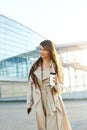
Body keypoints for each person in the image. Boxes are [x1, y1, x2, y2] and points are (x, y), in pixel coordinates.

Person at [26, 40, 72, 130]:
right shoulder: (35, 66)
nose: (41, 52)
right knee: (42, 127)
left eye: (44, 50)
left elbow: (60, 89)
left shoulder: (55, 66)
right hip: (39, 100)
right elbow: (30, 86)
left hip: (53, 101)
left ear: (50, 51)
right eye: (40, 49)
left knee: (53, 127)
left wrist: (56, 83)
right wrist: (29, 103)